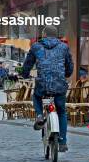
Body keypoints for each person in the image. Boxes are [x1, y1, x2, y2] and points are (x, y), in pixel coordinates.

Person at [23, 25, 73, 153]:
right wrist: (66, 74)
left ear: (44, 34)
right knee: (61, 111)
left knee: (36, 96)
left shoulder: (36, 46)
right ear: (56, 35)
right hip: (59, 84)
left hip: (43, 84)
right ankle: (63, 142)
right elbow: (69, 66)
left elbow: (28, 64)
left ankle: (40, 116)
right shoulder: (64, 47)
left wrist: (25, 74)